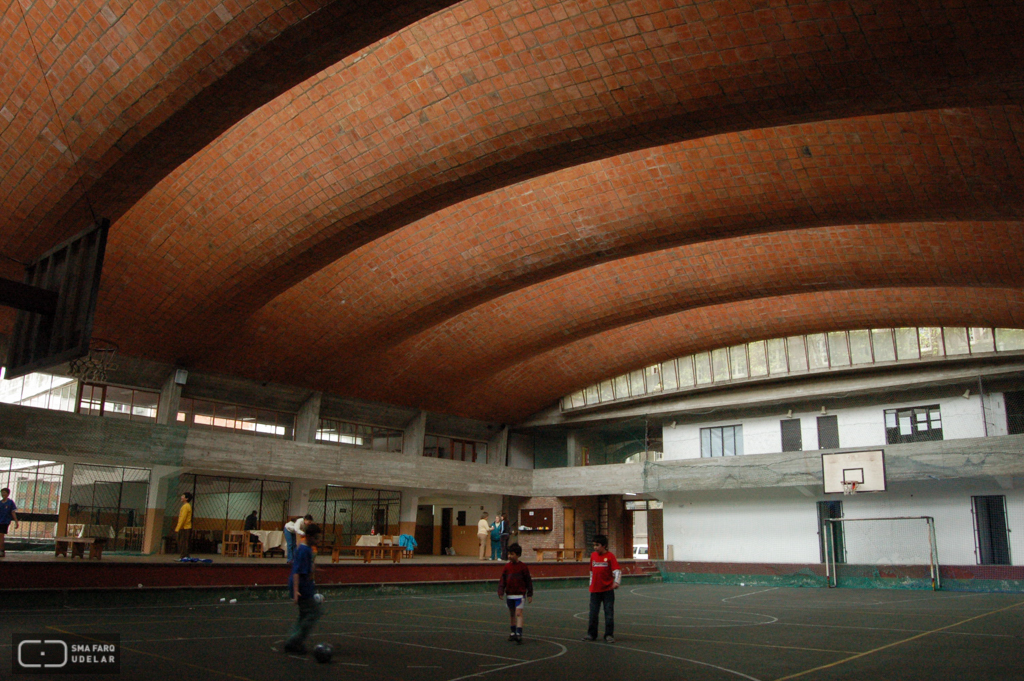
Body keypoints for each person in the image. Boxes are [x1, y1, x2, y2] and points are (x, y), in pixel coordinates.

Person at [284, 523, 323, 654]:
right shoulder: (303, 550)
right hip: (302, 587)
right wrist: (296, 592)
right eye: (317, 538)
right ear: (310, 536)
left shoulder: (307, 549)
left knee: (304, 615)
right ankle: (294, 641)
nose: (318, 541)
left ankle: (293, 639)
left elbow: (305, 568)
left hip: (306, 586)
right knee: (313, 613)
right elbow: (296, 572)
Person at [583, 534, 620, 643]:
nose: (595, 547)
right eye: (594, 545)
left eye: (597, 545)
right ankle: (591, 634)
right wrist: (591, 584)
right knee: (593, 613)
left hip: (607, 590)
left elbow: (617, 570)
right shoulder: (593, 556)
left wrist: (616, 582)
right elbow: (591, 572)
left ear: (604, 545)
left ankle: (609, 635)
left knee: (609, 613)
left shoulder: (610, 556)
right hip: (595, 590)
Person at [497, 542, 533, 643]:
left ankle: (519, 633)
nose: (509, 556)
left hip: (520, 595)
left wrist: (529, 594)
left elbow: (528, 581)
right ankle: (513, 632)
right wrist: (501, 591)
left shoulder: (523, 567)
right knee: (512, 614)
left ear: (518, 555)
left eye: (512, 554)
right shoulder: (507, 567)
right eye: (508, 554)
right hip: (510, 595)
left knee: (518, 613)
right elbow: (502, 580)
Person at [0, 487, 20, 558]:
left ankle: (2, 551)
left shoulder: (10, 502)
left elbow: (13, 513)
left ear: (8, 494)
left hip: (4, 521)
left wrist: (16, 522)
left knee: (1, 535)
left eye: (4, 492)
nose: (3, 494)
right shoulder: (0, 503)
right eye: (2, 493)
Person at [175, 492, 193, 559]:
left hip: (184, 528)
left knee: (182, 542)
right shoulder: (186, 506)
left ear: (186, 498)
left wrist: (178, 528)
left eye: (183, 496)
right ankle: (186, 555)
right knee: (184, 542)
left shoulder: (185, 506)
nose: (181, 497)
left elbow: (183, 518)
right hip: (185, 527)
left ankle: (184, 556)